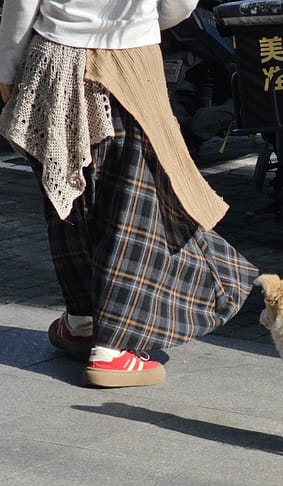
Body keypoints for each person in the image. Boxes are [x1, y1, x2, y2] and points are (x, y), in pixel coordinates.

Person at [0, 1, 257, 387]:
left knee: (69, 194)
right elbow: (179, 5)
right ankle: (113, 347)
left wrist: (7, 68)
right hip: (130, 64)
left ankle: (83, 321)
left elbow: (21, 5)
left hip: (53, 59)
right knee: (130, 203)